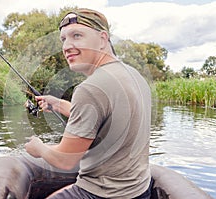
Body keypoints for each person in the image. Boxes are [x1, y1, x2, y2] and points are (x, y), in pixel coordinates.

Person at [25, 8, 153, 199]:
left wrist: (39, 148)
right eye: (63, 39)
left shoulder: (90, 88)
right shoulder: (134, 75)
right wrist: (59, 104)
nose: (67, 46)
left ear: (102, 39)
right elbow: (107, 115)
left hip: (103, 194)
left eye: (77, 35)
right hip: (140, 190)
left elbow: (65, 161)